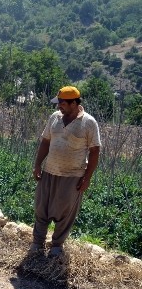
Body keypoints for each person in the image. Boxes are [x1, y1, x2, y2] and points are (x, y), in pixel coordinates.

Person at [31, 86, 101, 258]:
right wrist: (38, 164)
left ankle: (56, 246)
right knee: (41, 208)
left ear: (74, 103)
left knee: (65, 212)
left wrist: (87, 178)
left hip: (72, 176)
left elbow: (95, 151)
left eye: (62, 103)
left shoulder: (89, 123)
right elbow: (46, 142)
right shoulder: (54, 118)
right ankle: (37, 243)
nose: (58, 107)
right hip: (49, 171)